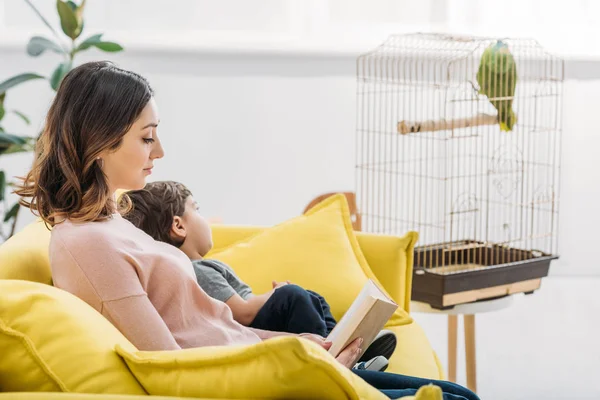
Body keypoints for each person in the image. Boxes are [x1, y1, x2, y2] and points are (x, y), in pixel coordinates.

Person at [16, 61, 479, 400]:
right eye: (147, 136)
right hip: (260, 383)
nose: (160, 151)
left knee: (457, 394)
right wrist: (295, 365)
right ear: (99, 141)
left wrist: (297, 343)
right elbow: (168, 367)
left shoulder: (110, 222)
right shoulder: (85, 245)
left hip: (266, 366)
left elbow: (211, 329)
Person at [119, 180, 396, 370]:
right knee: (293, 296)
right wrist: (276, 295)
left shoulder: (201, 267)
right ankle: (337, 359)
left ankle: (347, 348)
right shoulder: (196, 271)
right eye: (197, 209)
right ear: (178, 226)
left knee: (310, 298)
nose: (205, 217)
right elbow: (241, 313)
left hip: (259, 329)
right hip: (248, 330)